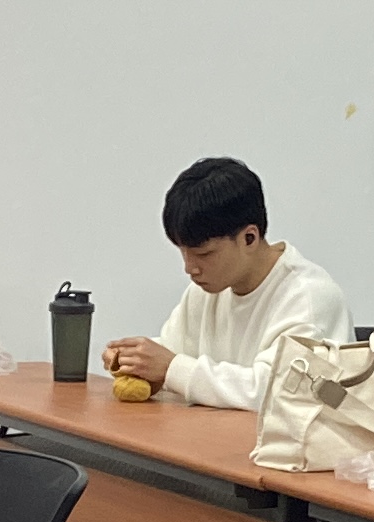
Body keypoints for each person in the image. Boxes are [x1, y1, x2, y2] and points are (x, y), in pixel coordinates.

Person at [99, 155, 349, 409]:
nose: (189, 268)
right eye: (183, 252)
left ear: (249, 238)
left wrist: (170, 369)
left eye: (204, 254)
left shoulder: (310, 297)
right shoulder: (205, 291)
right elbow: (175, 353)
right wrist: (135, 361)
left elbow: (279, 393)